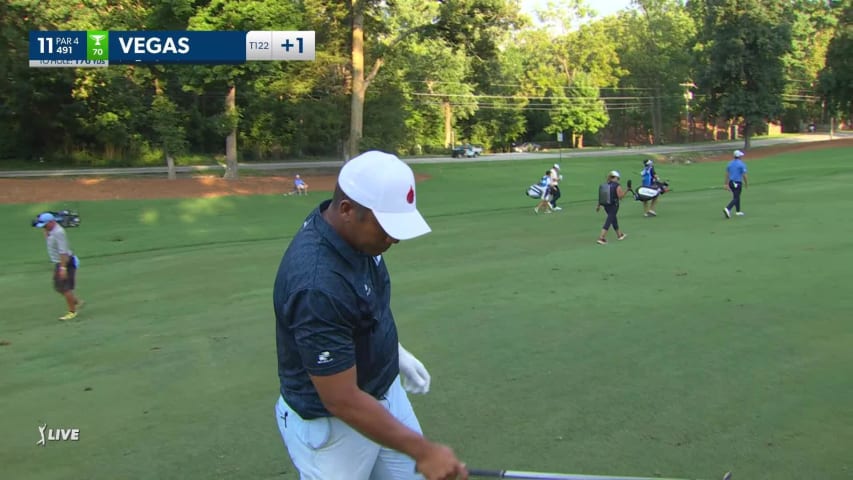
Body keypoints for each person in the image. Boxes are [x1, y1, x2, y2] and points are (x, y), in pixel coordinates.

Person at [272, 150, 469, 480]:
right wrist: (424, 450)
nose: (394, 238)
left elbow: (367, 305)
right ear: (348, 210)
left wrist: (395, 351)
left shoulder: (358, 238)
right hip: (334, 427)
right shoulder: (317, 283)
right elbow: (341, 399)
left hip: (384, 395)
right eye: (387, 227)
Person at [34, 212, 83, 320]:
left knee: (65, 288)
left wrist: (63, 268)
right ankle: (77, 302)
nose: (44, 227)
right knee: (59, 287)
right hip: (59, 262)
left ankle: (72, 312)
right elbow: (44, 228)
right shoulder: (50, 229)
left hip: (65, 262)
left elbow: (63, 252)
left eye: (45, 225)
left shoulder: (59, 233)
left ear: (51, 222)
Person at [595, 170, 628, 245]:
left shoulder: (605, 185)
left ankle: (619, 235)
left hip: (606, 206)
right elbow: (621, 197)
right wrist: (627, 190)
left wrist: (598, 205)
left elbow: (601, 196)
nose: (618, 180)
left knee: (613, 219)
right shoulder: (617, 186)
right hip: (614, 205)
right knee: (609, 220)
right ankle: (601, 237)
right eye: (618, 178)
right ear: (615, 177)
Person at [723, 150, 748, 218]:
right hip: (737, 183)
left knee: (736, 196)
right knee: (736, 197)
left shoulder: (730, 163)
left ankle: (738, 211)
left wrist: (725, 184)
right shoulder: (742, 164)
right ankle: (728, 208)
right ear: (739, 156)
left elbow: (727, 174)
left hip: (731, 183)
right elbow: (744, 175)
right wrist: (746, 183)